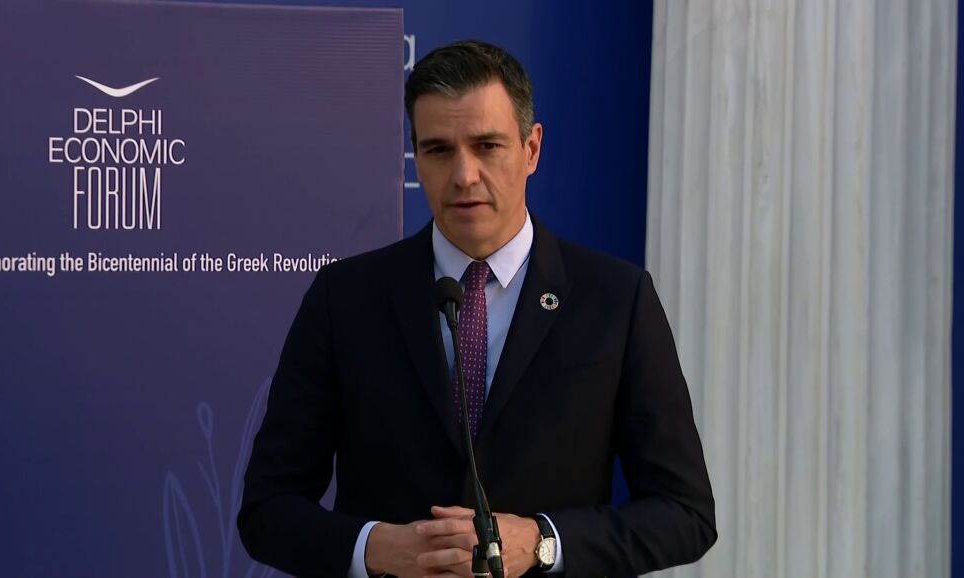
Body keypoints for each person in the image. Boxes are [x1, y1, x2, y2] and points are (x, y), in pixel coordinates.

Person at [238, 40, 716, 577]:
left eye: (487, 146)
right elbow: (266, 510)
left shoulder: (616, 300)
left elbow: (686, 513)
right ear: (416, 157)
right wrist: (376, 548)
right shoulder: (344, 298)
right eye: (439, 150)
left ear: (531, 149)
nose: (464, 175)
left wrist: (543, 542)